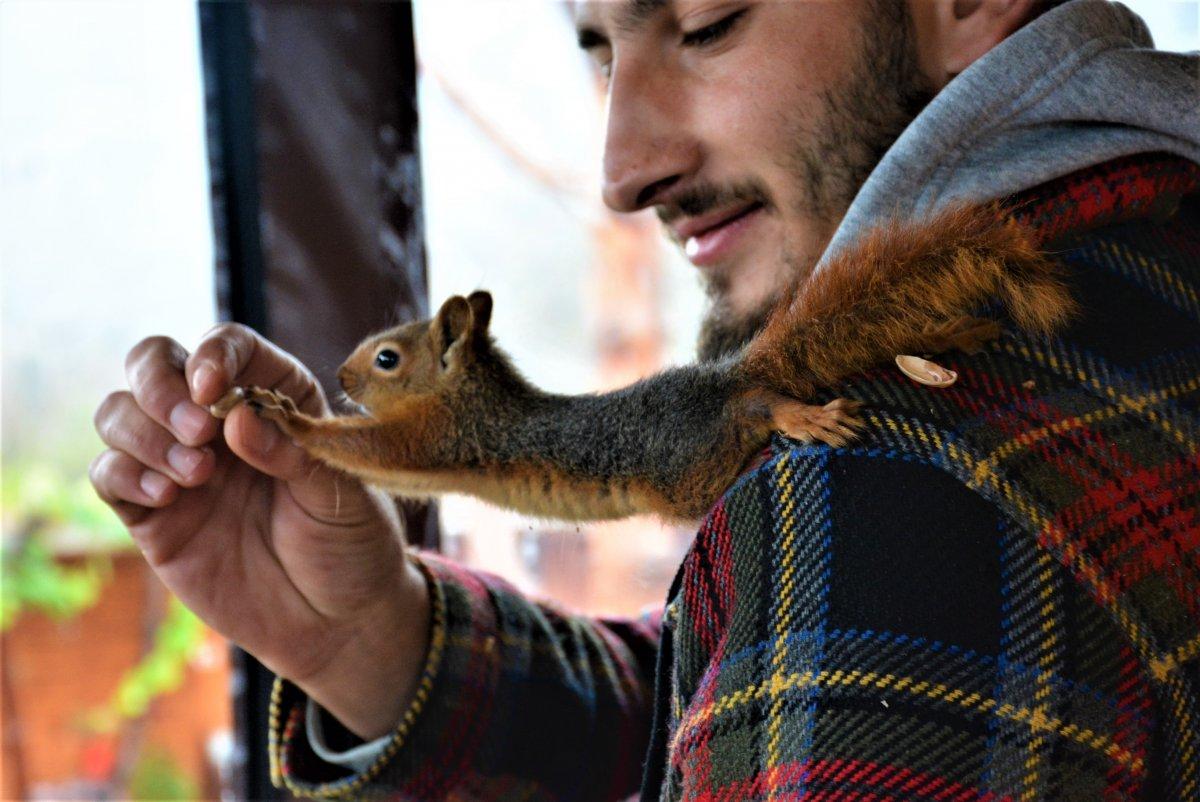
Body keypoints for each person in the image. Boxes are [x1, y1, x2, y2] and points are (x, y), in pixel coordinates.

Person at [90, 0, 1200, 799]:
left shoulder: (889, 484)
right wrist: (377, 645)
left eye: (708, 25)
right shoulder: (1156, 247)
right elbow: (760, 708)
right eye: (599, 53)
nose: (622, 167)